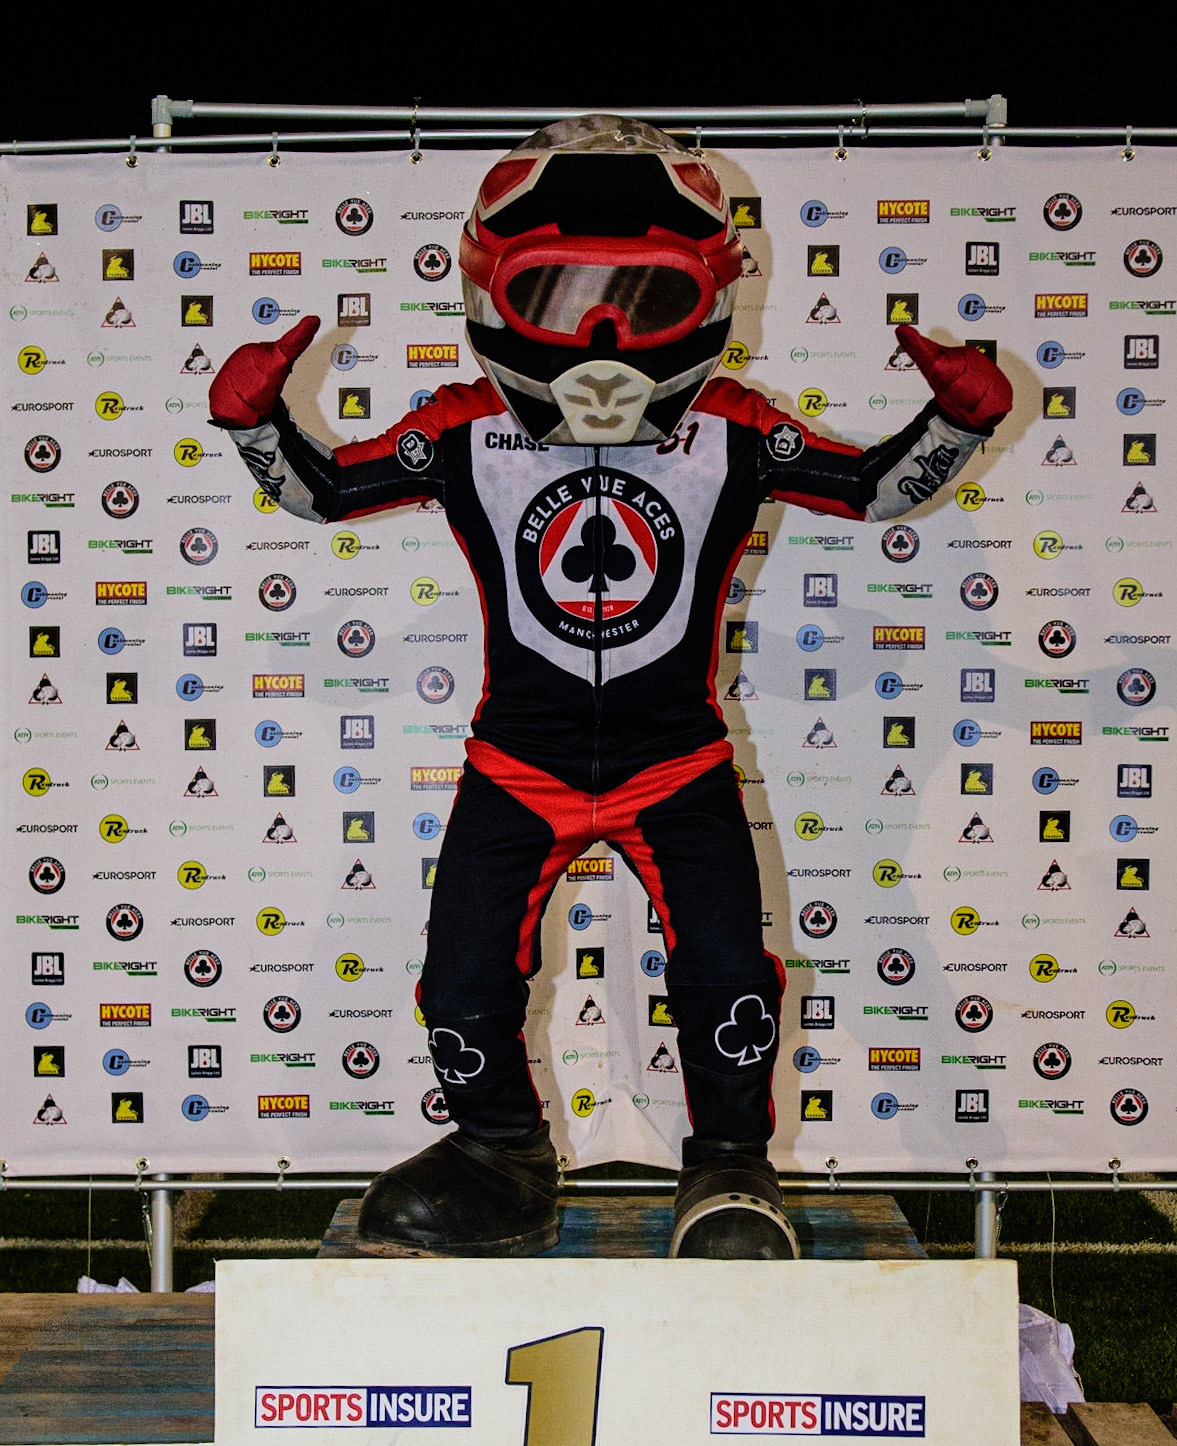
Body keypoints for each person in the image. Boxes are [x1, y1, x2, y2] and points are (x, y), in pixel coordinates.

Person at [209, 114, 1012, 1260]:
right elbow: (326, 494)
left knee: (729, 971)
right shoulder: (462, 428)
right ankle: (499, 1157)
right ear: (496, 291)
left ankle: (730, 1169)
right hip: (518, 759)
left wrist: (954, 422)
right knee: (463, 975)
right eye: (565, 295)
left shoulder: (729, 428)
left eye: (638, 297)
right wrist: (251, 427)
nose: (597, 333)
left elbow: (874, 491)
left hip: (673, 755)